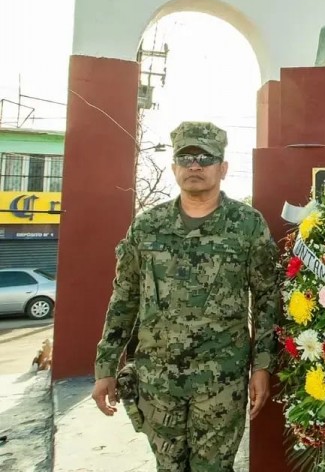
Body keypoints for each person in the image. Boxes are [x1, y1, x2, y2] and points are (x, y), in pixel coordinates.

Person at [91, 121, 279, 472]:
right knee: (169, 467)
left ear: (223, 168)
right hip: (157, 378)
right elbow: (124, 298)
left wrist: (263, 366)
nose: (195, 165)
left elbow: (267, 299)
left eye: (206, 157)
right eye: (186, 156)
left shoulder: (247, 225)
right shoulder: (147, 226)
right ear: (174, 166)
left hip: (221, 377)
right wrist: (105, 367)